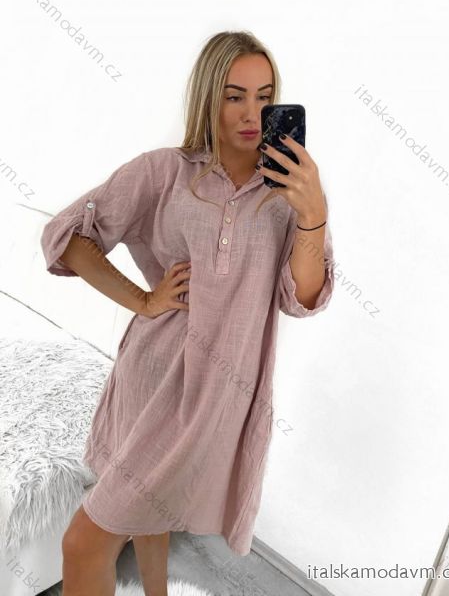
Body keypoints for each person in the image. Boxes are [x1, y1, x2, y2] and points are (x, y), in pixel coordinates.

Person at [40, 30, 335, 596]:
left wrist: (313, 214)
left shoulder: (292, 193)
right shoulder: (164, 172)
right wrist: (142, 299)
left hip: (219, 392)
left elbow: (303, 297)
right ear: (207, 97)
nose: (251, 113)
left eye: (264, 97)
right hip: (149, 372)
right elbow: (67, 234)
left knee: (134, 518)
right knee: (90, 542)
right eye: (234, 96)